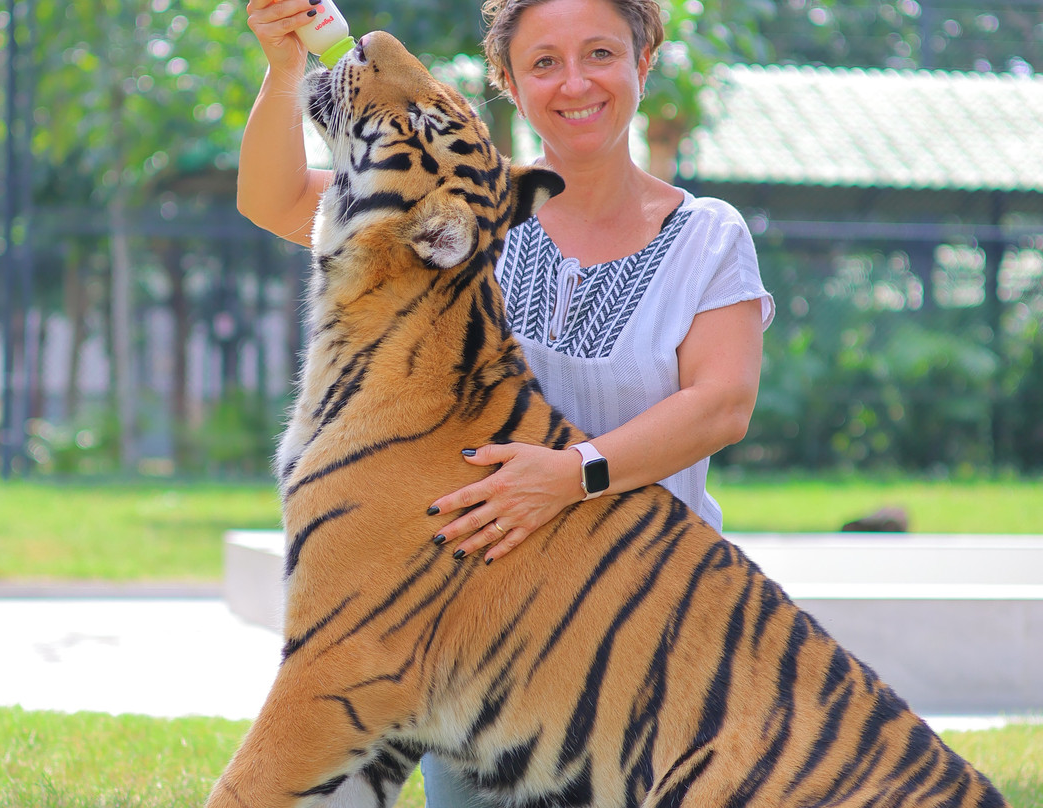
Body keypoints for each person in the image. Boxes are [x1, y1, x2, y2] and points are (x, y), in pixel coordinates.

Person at [238, 0, 774, 803]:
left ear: (643, 61)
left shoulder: (707, 233)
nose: (575, 82)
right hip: (476, 640)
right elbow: (272, 198)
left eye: (599, 53)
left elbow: (722, 404)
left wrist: (571, 473)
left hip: (640, 651)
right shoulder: (468, 204)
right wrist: (287, 70)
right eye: (544, 63)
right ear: (509, 84)